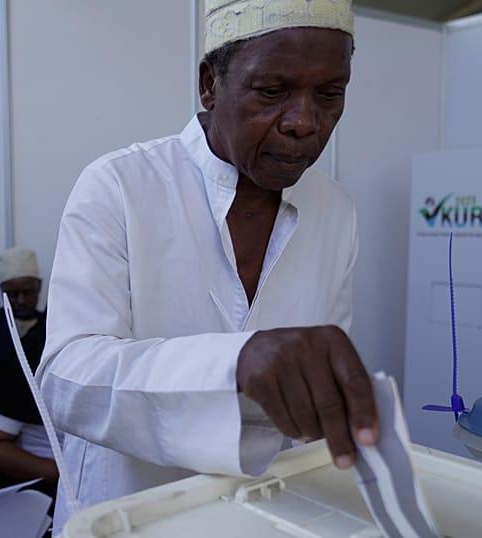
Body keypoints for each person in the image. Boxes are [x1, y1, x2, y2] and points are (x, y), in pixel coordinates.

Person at [37, 0, 378, 528]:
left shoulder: (335, 210)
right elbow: (66, 378)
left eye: (330, 94)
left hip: (271, 515)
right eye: (273, 91)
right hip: (128, 515)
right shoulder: (120, 185)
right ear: (209, 84)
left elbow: (314, 386)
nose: (304, 122)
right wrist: (233, 365)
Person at [0, 248, 57, 494]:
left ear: (39, 287)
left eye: (28, 292)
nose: (21, 300)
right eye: (12, 294)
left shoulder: (51, 327)